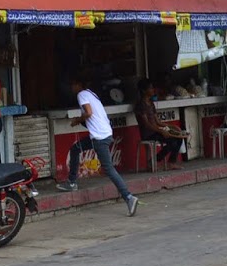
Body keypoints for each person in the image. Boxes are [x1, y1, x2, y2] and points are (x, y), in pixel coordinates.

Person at [57, 76, 139, 216]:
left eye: (72, 84)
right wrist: (81, 121)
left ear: (78, 84)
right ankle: (71, 182)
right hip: (103, 133)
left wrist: (77, 120)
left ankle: (129, 197)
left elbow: (89, 113)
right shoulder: (91, 93)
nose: (71, 88)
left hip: (99, 137)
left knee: (109, 169)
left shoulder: (81, 94)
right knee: (75, 149)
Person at [135, 78, 188, 164]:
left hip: (156, 131)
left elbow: (158, 122)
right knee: (173, 142)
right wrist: (161, 131)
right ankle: (153, 161)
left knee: (179, 138)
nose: (153, 90)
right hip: (148, 134)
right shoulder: (141, 105)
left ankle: (171, 162)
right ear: (144, 91)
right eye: (151, 88)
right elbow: (147, 124)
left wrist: (171, 127)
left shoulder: (151, 103)